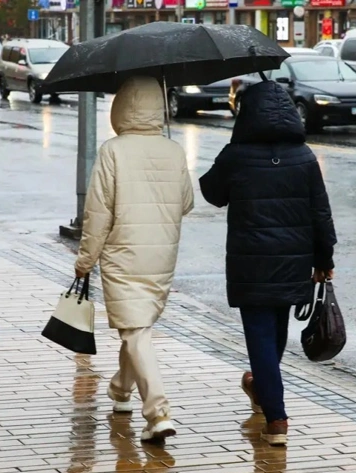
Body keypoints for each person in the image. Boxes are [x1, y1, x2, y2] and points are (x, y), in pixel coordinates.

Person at [199, 81, 337, 446]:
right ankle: (262, 387)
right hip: (294, 262)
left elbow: (212, 194)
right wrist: (325, 259)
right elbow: (320, 213)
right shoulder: (304, 156)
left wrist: (229, 152)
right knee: (275, 330)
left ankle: (276, 418)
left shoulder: (237, 154)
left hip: (250, 262)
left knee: (261, 334)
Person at [74, 75, 194, 444]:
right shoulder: (173, 150)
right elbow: (187, 202)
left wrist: (85, 260)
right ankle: (120, 391)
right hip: (162, 252)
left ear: (121, 108)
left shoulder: (113, 150)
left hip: (122, 252)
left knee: (135, 329)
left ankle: (157, 411)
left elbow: (97, 213)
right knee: (137, 327)